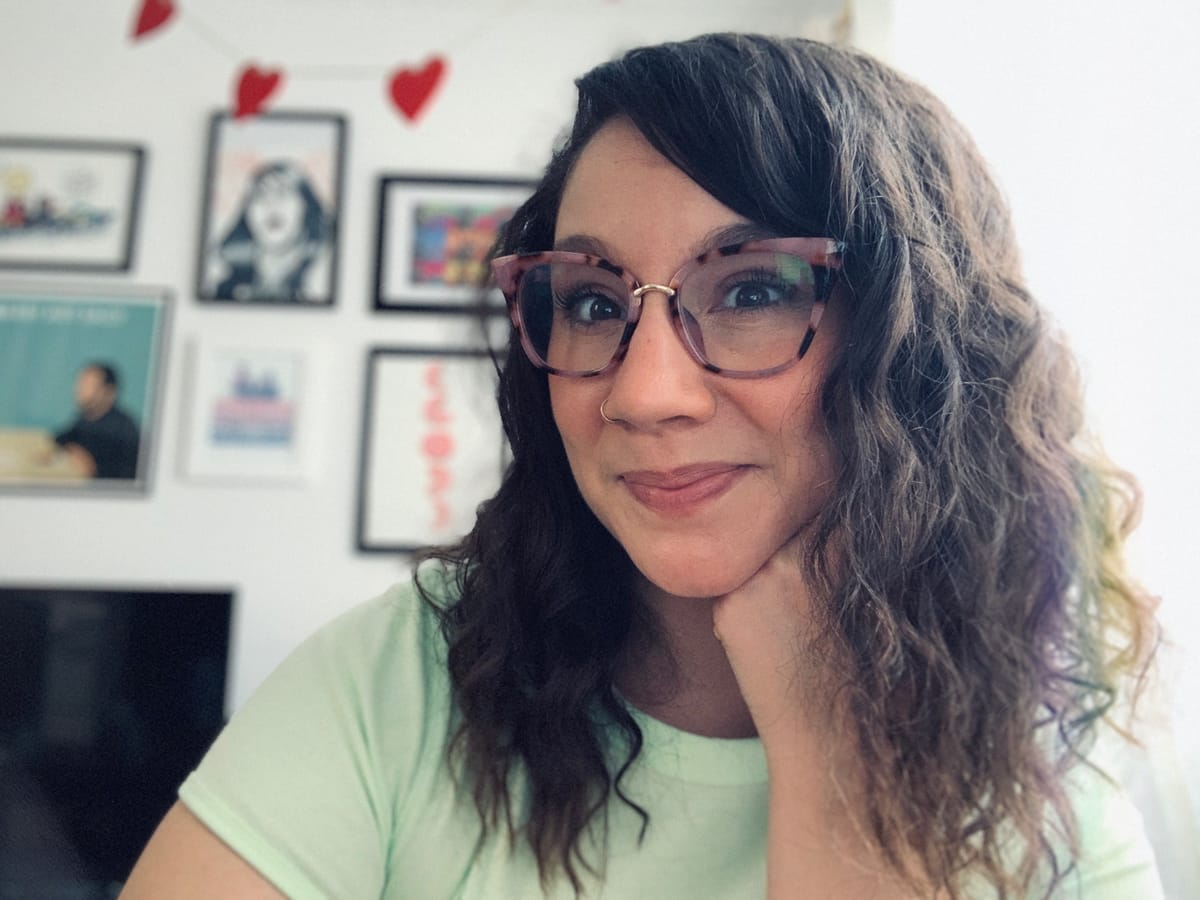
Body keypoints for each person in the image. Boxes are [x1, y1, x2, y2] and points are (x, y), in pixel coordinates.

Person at [122, 34, 1163, 899]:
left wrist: (823, 737)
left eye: (754, 290)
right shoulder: (409, 674)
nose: (642, 392)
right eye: (591, 303)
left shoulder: (1035, 761)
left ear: (914, 345)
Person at [209, 161, 331, 303]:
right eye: (260, 196)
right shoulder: (225, 290)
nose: (271, 205)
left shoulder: (319, 281)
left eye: (282, 193)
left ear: (307, 208)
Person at [54, 362, 140, 479]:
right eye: (81, 383)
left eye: (89, 384)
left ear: (108, 392)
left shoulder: (123, 429)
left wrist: (92, 468)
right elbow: (61, 439)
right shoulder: (84, 420)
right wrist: (72, 450)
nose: (80, 390)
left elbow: (122, 476)